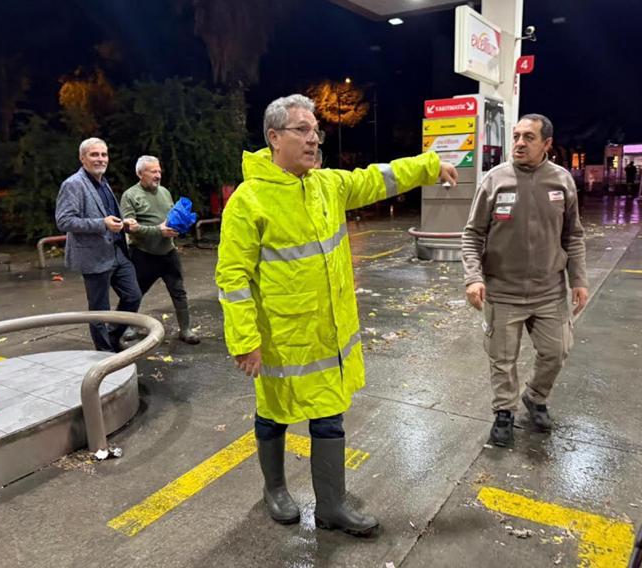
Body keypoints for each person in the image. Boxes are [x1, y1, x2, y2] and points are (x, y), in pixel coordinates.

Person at [216, 94, 458, 536]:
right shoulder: (249, 202)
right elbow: (232, 279)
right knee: (275, 413)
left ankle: (331, 506)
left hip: (328, 337)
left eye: (316, 131)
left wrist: (427, 166)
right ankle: (275, 490)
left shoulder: (327, 185)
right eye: (302, 130)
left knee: (329, 416)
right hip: (280, 339)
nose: (313, 140)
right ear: (274, 137)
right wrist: (244, 340)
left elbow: (376, 179)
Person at [461, 114, 588, 448]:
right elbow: (472, 235)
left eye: (528, 137)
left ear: (546, 144)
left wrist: (579, 279)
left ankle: (535, 396)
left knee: (556, 351)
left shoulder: (561, 181)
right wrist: (473, 278)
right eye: (516, 136)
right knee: (502, 359)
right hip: (503, 291)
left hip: (549, 292)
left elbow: (573, 235)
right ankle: (504, 411)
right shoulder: (494, 181)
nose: (519, 143)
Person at [55, 137, 142, 352]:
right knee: (98, 310)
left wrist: (123, 224)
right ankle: (104, 354)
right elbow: (64, 221)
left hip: (117, 252)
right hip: (93, 257)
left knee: (133, 296)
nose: (100, 159)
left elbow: (108, 215)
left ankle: (112, 338)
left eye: (103, 154)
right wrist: (101, 224)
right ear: (82, 158)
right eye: (94, 154)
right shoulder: (73, 184)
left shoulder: (103, 182)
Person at [119, 156, 200, 345]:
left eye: (159, 171)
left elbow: (170, 219)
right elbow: (130, 228)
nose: (158, 175)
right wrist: (159, 230)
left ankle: (185, 329)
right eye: (153, 172)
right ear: (140, 173)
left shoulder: (164, 192)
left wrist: (179, 226)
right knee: (135, 293)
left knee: (179, 291)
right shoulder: (130, 196)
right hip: (143, 254)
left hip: (168, 253)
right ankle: (128, 326)